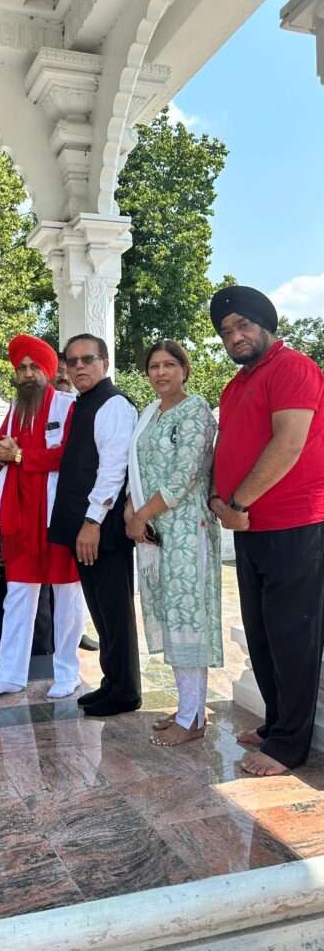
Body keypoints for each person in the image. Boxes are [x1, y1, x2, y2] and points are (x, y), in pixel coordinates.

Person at [210, 285, 324, 775]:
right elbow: (227, 448)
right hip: (247, 525)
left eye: (243, 325)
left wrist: (236, 502)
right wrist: (218, 500)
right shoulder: (235, 385)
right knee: (261, 632)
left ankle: (290, 745)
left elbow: (288, 444)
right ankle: (277, 722)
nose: (234, 336)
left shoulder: (293, 367)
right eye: (225, 331)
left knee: (293, 635)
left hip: (295, 524)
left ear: (266, 323)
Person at [0, 335, 84, 702]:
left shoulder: (67, 406)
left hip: (55, 515)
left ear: (48, 371)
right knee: (18, 595)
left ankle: (67, 673)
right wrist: (0, 450)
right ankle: (10, 675)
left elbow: (69, 457)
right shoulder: (15, 409)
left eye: (33, 367)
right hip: (19, 514)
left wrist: (21, 456)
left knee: (67, 594)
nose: (26, 374)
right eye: (21, 368)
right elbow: (0, 450)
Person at [125, 340, 222, 746]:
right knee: (170, 614)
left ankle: (193, 718)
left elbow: (185, 476)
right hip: (153, 529)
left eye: (169, 365)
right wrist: (132, 511)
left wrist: (140, 516)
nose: (161, 372)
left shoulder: (195, 410)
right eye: (154, 366)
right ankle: (187, 706)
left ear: (185, 369)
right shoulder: (150, 413)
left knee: (188, 619)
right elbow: (135, 467)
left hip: (185, 528)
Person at [49, 333, 142, 716]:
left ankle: (126, 692)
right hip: (86, 528)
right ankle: (112, 683)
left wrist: (91, 522)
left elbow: (113, 469)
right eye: (72, 361)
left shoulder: (113, 404)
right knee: (101, 612)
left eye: (87, 359)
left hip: (102, 528)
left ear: (104, 362)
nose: (79, 367)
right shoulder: (85, 403)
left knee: (115, 612)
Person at [51, 350, 99, 654]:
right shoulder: (38, 406)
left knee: (75, 575)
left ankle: (76, 630)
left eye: (64, 369)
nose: (62, 375)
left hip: (79, 501)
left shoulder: (82, 406)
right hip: (46, 500)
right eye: (57, 369)